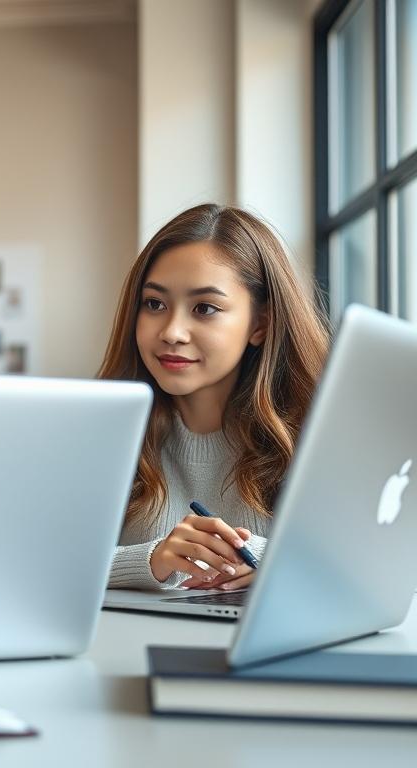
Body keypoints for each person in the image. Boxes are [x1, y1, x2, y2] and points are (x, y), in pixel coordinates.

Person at [99, 204, 330, 591]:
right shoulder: (101, 431)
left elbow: (403, 573)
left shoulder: (315, 429)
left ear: (260, 324)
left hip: (272, 651)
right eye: (154, 304)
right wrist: (150, 560)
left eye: (204, 308)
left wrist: (276, 560)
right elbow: (33, 564)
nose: (172, 331)